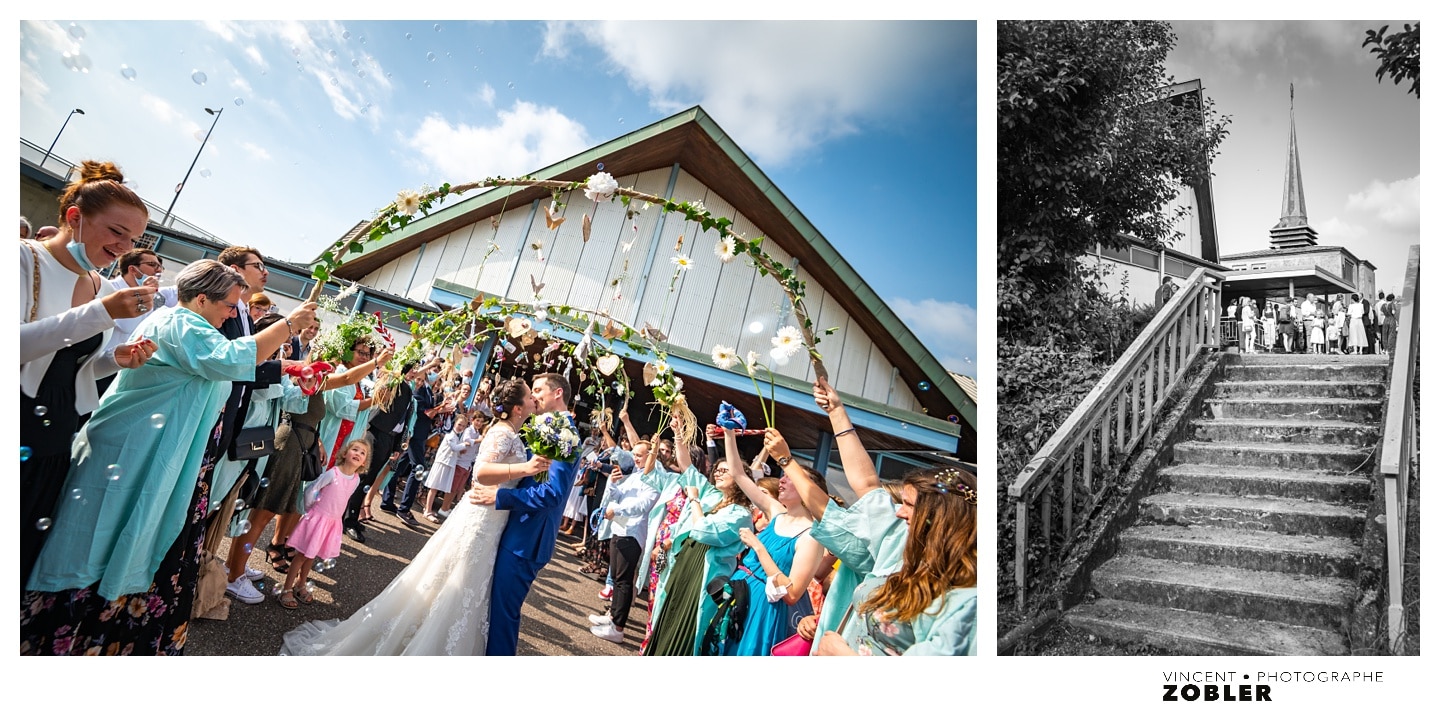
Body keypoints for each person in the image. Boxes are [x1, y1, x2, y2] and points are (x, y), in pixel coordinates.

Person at [22, 260, 315, 655]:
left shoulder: (191, 326)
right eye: (229, 305)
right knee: (104, 537)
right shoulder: (182, 323)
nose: (233, 313)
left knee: (130, 534)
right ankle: (80, 630)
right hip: (133, 451)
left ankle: (108, 625)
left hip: (156, 454)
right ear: (199, 298)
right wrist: (289, 325)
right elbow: (229, 360)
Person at [279, 379, 547, 655]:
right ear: (517, 408)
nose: (534, 400)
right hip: (483, 515)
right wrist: (526, 468)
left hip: (493, 516)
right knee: (456, 575)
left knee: (463, 579)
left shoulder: (511, 432)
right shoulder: (503, 433)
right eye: (530, 396)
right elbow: (481, 473)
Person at [20, 160, 158, 588]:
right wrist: (100, 314)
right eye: (116, 232)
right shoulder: (24, 260)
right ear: (75, 218)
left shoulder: (99, 284)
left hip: (58, 432)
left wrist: (116, 359)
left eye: (133, 239)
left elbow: (74, 364)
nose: (123, 247)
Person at [775, 378, 977, 656]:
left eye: (908, 505)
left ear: (937, 516)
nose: (898, 511)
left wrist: (843, 656)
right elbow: (868, 485)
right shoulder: (902, 546)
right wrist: (836, 412)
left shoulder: (966, 597)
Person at [468, 372, 581, 656]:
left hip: (527, 539)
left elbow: (552, 494)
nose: (534, 397)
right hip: (511, 531)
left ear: (557, 393)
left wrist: (500, 496)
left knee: (503, 616)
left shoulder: (564, 433)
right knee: (491, 609)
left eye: (539, 390)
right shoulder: (544, 426)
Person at [710, 427, 827, 656]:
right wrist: (730, 433)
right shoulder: (776, 512)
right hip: (739, 596)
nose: (781, 481)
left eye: (789, 478)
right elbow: (739, 474)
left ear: (806, 490)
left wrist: (759, 548)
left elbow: (792, 594)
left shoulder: (810, 537)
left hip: (764, 609)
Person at [640, 433, 751, 656]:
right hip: (682, 565)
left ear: (740, 478)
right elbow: (687, 467)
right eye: (717, 470)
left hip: (701, 575)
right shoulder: (710, 494)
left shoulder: (741, 514)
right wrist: (679, 435)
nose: (718, 473)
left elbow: (703, 531)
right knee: (666, 617)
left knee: (686, 628)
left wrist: (694, 499)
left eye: (725, 470)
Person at [278, 439, 371, 609]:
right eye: (355, 449)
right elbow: (311, 490)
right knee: (301, 556)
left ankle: (300, 584)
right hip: (318, 519)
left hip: (331, 523)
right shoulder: (333, 474)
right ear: (345, 453)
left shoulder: (356, 479)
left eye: (362, 453)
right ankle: (286, 589)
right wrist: (310, 510)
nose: (358, 453)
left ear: (364, 462)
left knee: (311, 556)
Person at [587, 453, 659, 644]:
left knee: (624, 581)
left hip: (633, 534)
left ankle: (618, 627)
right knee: (617, 579)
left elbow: (642, 505)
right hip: (619, 528)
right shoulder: (635, 475)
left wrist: (617, 510)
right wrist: (612, 482)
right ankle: (612, 617)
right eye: (634, 454)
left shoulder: (654, 480)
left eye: (641, 455)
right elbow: (618, 496)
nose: (636, 458)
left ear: (651, 457)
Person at [422, 412, 471, 522]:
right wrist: (464, 445)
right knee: (434, 487)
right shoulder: (450, 436)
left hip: (449, 464)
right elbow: (454, 447)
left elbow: (455, 450)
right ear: (454, 424)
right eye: (459, 424)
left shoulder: (457, 437)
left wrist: (460, 451)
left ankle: (428, 509)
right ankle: (427, 511)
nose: (461, 427)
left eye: (463, 426)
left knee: (437, 488)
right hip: (442, 463)